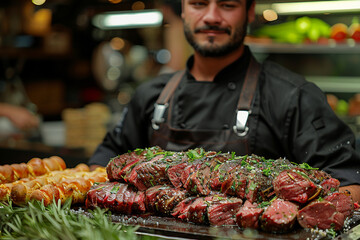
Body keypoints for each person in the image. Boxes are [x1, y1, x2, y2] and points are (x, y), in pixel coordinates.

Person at [89, 0, 360, 203]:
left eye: (228, 4)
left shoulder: (294, 96)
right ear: (183, 9)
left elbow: (350, 184)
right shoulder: (150, 95)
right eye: (198, 3)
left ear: (250, 11)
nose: (211, 16)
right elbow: (100, 168)